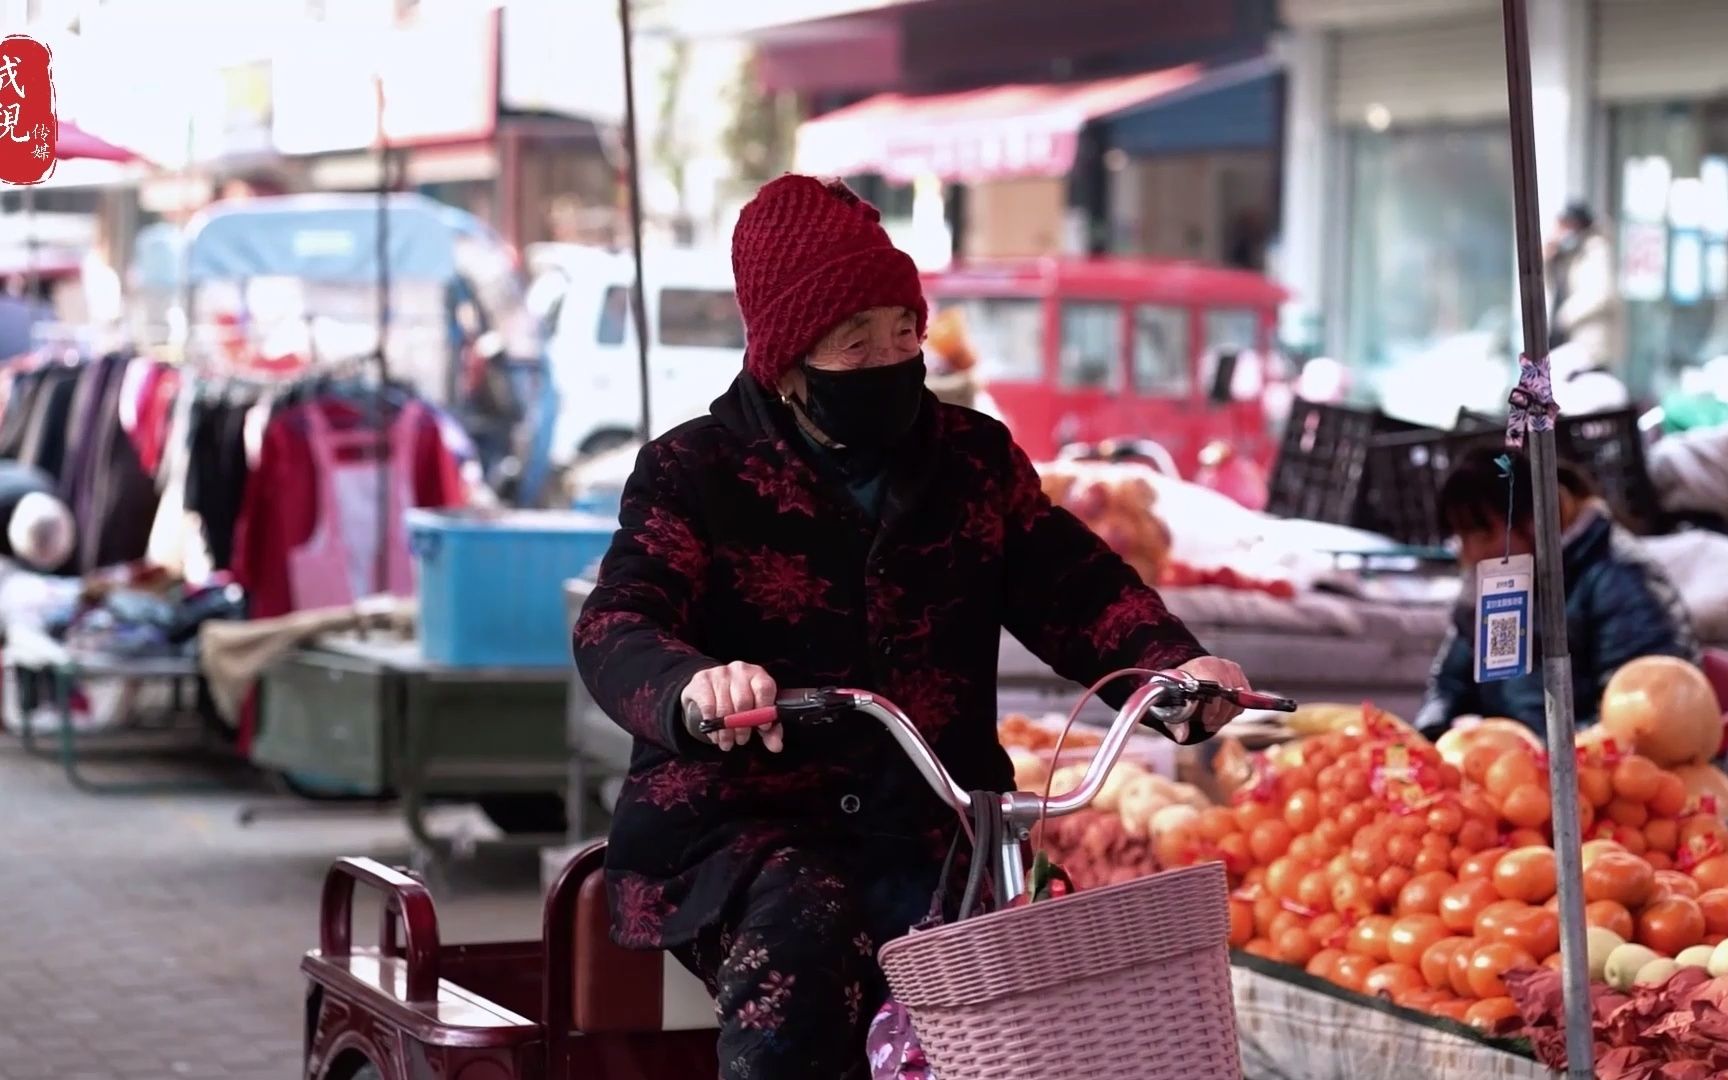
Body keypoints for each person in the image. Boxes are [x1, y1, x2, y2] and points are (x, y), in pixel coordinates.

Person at [571, 174, 1254, 1080]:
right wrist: (695, 685)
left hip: (938, 820)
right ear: (784, 364)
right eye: (856, 345)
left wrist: (1168, 667)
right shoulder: (693, 472)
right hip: (749, 830)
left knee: (1051, 976)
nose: (891, 360)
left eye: (904, 332)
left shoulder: (971, 461)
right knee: (808, 940)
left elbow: (1073, 586)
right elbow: (618, 621)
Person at [1414, 448, 1698, 739]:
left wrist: (1544, 755)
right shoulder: (1493, 581)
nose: (1471, 554)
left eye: (1483, 536)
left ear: (1535, 521)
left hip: (1588, 771)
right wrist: (1436, 732)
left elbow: (1639, 715)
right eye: (1461, 539)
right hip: (1507, 769)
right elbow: (1450, 683)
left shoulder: (1619, 578)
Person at [1545, 201, 1622, 370]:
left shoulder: (1596, 250)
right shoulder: (1567, 253)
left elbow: (1601, 294)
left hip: (1590, 346)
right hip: (1567, 344)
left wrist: (1564, 317)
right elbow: (1547, 285)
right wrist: (1548, 256)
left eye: (1567, 226)